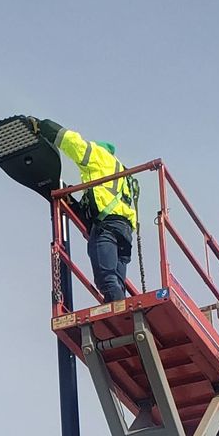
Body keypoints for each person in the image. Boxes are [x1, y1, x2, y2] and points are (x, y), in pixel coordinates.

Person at [32, 118, 138, 303]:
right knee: (116, 284)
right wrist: (73, 203)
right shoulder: (122, 174)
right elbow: (100, 201)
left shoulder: (98, 155)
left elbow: (72, 142)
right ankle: (123, 314)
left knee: (107, 280)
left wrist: (43, 126)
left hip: (108, 228)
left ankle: (119, 315)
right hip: (125, 231)